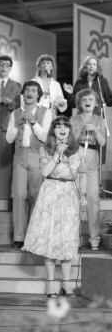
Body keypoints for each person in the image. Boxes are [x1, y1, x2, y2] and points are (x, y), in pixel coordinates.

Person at [23, 116, 86, 297]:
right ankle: (51, 283)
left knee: (67, 239)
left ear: (70, 130)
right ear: (53, 130)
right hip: (51, 192)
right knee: (51, 239)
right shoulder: (45, 149)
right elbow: (44, 172)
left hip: (69, 195)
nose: (62, 128)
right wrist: (57, 154)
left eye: (65, 126)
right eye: (58, 126)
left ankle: (66, 283)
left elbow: (82, 174)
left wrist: (83, 194)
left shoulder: (78, 150)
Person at [6, 81, 52, 249]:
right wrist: (18, 124)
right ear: (23, 93)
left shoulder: (46, 112)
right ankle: (19, 236)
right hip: (19, 156)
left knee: (35, 195)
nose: (30, 93)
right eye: (27, 90)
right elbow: (9, 139)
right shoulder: (16, 113)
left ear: (38, 94)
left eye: (34, 90)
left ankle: (33, 235)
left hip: (37, 155)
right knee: (18, 195)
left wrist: (33, 122)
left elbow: (46, 138)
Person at [71, 89, 106, 251]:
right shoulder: (74, 119)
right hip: (76, 158)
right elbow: (70, 139)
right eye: (84, 99)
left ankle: (94, 238)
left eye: (90, 99)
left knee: (93, 200)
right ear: (80, 103)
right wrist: (81, 129)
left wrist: (95, 130)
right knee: (75, 200)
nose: (87, 101)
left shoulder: (99, 119)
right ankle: (74, 237)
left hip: (91, 159)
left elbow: (102, 143)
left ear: (96, 103)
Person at [0, 55, 21, 199]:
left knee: (4, 165)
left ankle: (1, 198)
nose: (3, 67)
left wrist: (7, 101)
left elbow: (16, 106)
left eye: (6, 65)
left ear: (10, 68)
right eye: (1, 64)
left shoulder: (15, 85)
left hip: (5, 127)